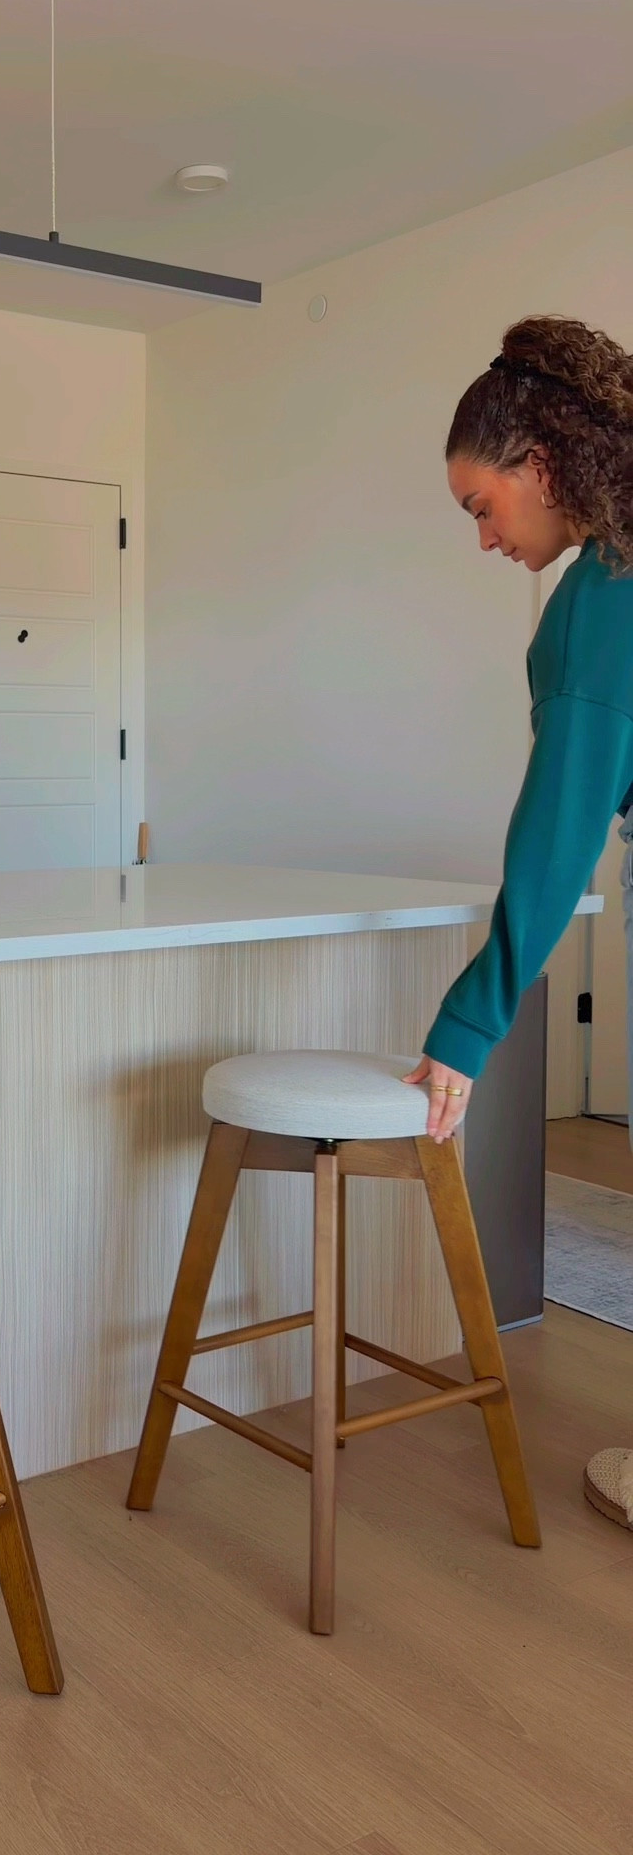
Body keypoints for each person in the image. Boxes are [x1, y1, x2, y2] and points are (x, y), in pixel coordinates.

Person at [401, 314, 633, 1530]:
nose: (489, 540)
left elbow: (556, 833)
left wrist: (468, 1022)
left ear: (542, 465)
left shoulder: (601, 599)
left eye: (483, 507)